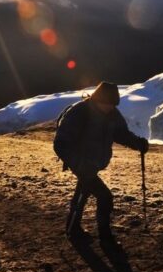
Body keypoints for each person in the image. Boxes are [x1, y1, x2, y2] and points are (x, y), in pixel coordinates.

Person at [54, 82, 149, 242]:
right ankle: (104, 236)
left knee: (82, 192)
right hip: (81, 162)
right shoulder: (80, 112)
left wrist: (138, 143)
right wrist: (79, 164)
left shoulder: (112, 113)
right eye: (107, 104)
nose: (110, 108)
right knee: (104, 196)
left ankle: (73, 229)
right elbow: (61, 144)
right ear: (97, 99)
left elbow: (121, 134)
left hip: (94, 162)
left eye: (113, 105)